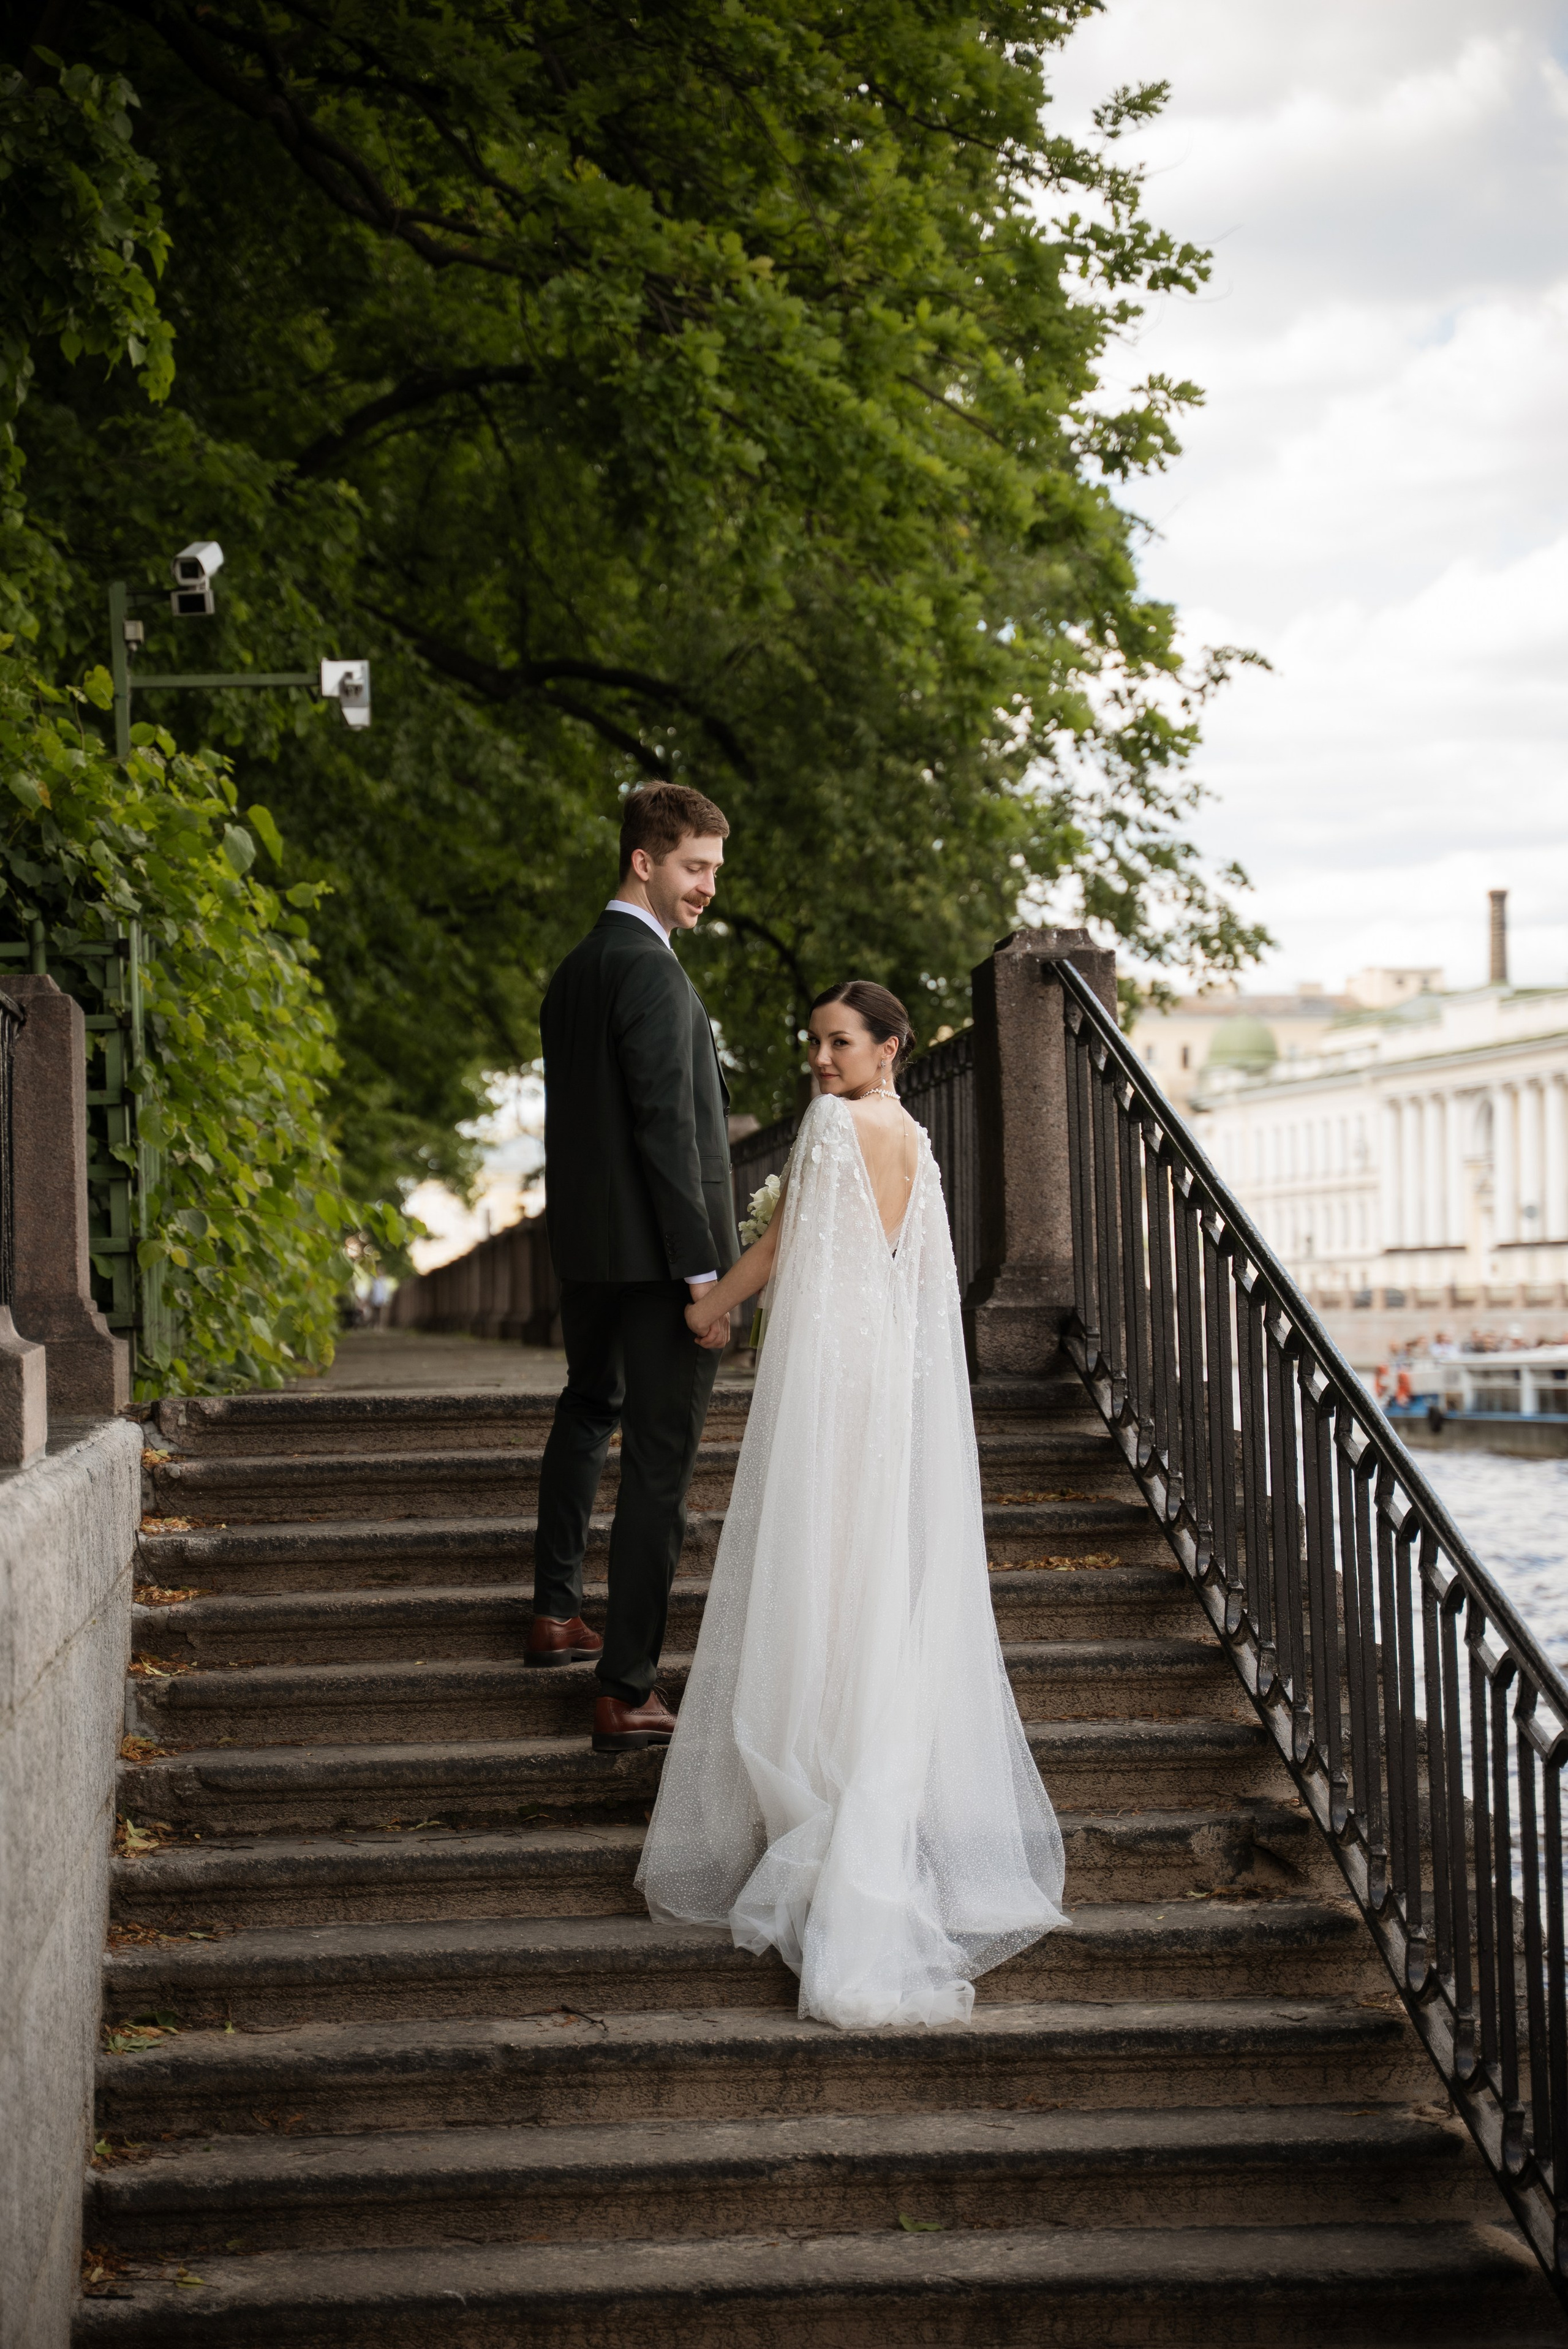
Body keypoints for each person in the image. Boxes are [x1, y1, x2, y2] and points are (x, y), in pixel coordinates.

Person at [637, 981, 1066, 2030]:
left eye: (839, 1043)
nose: (821, 1062)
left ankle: (819, 1772)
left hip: (833, 1379)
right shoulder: (914, 1138)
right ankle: (860, 1759)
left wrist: (706, 1304)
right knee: (870, 1570)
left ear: (889, 1046)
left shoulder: (832, 1125)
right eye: (815, 1044)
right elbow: (912, 1277)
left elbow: (784, 1251)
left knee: (816, 1569)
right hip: (892, 1386)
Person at [531, 783, 736, 1753]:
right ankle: (627, 1686)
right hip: (660, 1262)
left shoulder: (574, 971)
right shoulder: (650, 972)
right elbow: (666, 1128)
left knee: (586, 1409)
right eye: (693, 868)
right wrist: (704, 1274)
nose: (706, 889)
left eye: (713, 872)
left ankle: (555, 1609)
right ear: (643, 862)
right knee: (661, 1470)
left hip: (588, 1249)